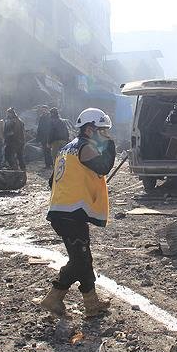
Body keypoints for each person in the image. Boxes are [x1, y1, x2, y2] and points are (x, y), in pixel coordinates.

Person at [40, 108, 116, 317]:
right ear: (90, 130)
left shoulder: (66, 149)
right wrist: (110, 146)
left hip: (63, 211)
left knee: (83, 257)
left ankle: (91, 304)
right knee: (79, 260)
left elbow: (52, 181)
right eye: (103, 131)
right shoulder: (84, 148)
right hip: (71, 213)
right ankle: (54, 297)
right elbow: (103, 167)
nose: (106, 135)